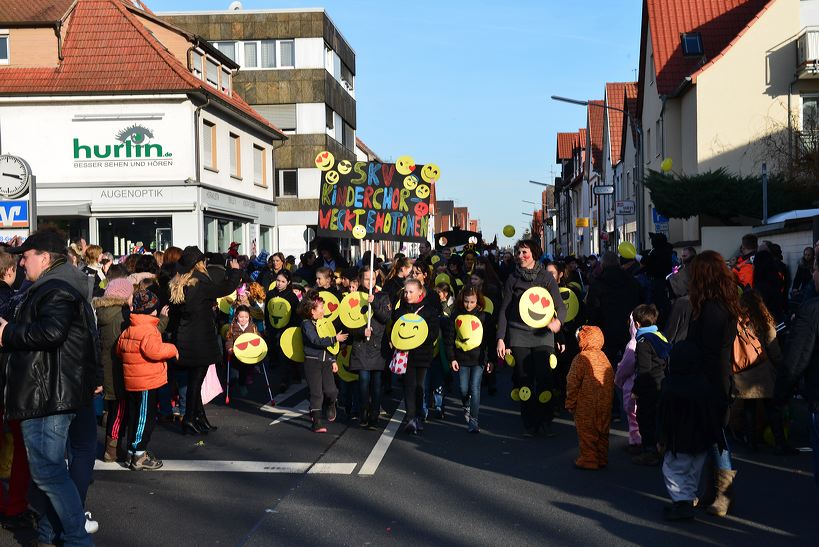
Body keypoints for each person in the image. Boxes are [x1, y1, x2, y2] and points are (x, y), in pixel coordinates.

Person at [0, 229, 99, 546]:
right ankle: (49, 532)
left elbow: (51, 332)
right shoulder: (56, 285)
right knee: (49, 470)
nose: (22, 264)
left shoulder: (54, 288)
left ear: (44, 257)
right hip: (51, 389)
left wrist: (8, 334)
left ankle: (75, 538)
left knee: (46, 471)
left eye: (26, 257)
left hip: (47, 392)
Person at [687, 251, 740, 517]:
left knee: (716, 437)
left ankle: (722, 495)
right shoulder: (721, 304)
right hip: (715, 378)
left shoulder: (712, 309)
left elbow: (711, 352)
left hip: (712, 380)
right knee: (711, 436)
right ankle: (713, 491)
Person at [496, 239, 567, 437]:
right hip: (519, 333)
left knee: (544, 378)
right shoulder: (512, 279)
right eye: (518, 252)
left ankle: (545, 421)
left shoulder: (546, 278)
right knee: (524, 379)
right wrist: (501, 338)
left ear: (534, 253)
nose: (520, 256)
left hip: (543, 335)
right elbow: (505, 310)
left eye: (524, 252)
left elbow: (560, 307)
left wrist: (558, 323)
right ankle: (530, 423)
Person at [169, 246, 241, 435]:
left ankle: (199, 418)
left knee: (194, 380)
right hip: (199, 339)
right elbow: (224, 288)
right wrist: (235, 272)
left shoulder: (179, 283)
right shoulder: (199, 282)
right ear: (199, 264)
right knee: (196, 382)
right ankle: (190, 419)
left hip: (184, 338)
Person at [657, 340, 722, 521]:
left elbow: (663, 417)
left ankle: (682, 502)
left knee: (672, 471)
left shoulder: (670, 385)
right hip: (700, 440)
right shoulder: (703, 384)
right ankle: (687, 499)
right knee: (693, 471)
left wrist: (661, 439)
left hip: (678, 440)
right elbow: (711, 414)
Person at [117, 289, 177, 471]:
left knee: (135, 417)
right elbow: (154, 351)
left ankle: (132, 451)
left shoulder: (129, 328)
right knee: (145, 418)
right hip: (146, 381)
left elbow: (119, 350)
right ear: (151, 311)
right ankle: (139, 454)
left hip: (132, 380)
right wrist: (172, 349)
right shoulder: (149, 330)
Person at [775, 253, 819, 486]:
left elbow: (797, 358)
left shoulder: (811, 310)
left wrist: (781, 393)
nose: (812, 275)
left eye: (815, 270)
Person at [734, 290, 795, 453]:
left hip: (743, 371)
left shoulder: (737, 320)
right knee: (772, 408)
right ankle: (780, 443)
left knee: (749, 409)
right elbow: (773, 348)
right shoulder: (764, 320)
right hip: (763, 373)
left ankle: (751, 442)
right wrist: (782, 366)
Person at [93, 278, 135, 463]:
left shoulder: (103, 312)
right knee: (119, 411)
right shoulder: (122, 316)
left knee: (115, 409)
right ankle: (112, 449)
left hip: (105, 367)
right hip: (117, 369)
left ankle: (114, 446)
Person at [393, 278, 441, 434]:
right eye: (405, 291)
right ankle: (410, 417)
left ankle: (419, 415)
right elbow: (395, 329)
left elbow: (433, 333)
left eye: (410, 292)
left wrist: (419, 338)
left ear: (420, 292)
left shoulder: (429, 310)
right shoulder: (401, 310)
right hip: (406, 354)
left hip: (423, 353)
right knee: (409, 385)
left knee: (420, 386)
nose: (407, 295)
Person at [444, 286, 493, 433]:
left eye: (472, 302)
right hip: (462, 358)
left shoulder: (484, 317)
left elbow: (489, 340)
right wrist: (451, 358)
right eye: (466, 301)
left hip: (479, 359)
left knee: (475, 388)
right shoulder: (455, 315)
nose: (469, 305)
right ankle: (466, 406)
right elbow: (450, 338)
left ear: (478, 301)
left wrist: (490, 360)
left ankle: (473, 420)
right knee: (463, 389)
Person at [565, 325, 614, 469]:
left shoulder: (581, 358)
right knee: (602, 430)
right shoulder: (604, 357)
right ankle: (602, 457)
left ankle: (589, 459)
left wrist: (570, 402)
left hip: (586, 401)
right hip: (604, 401)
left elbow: (572, 382)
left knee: (587, 431)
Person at [348, 267, 391, 429]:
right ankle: (363, 412)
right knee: (363, 381)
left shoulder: (382, 296)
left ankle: (375, 414)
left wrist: (375, 304)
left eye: (372, 279)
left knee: (377, 383)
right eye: (366, 279)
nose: (370, 282)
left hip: (378, 346)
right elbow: (348, 322)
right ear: (360, 280)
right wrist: (361, 331)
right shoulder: (354, 297)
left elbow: (386, 318)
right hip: (361, 345)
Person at [299, 291, 347, 433]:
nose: (324, 310)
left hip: (326, 361)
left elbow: (330, 347)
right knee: (316, 393)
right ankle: (317, 422)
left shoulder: (325, 322)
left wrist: (333, 360)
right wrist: (334, 339)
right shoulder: (306, 324)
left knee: (331, 391)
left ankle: (331, 404)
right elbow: (316, 340)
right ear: (312, 311)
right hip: (312, 361)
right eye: (321, 308)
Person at [631, 304, 672, 466]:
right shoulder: (660, 335)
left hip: (648, 388)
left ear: (637, 324)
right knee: (659, 418)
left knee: (645, 419)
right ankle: (662, 447)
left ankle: (650, 451)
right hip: (662, 383)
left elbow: (643, 370)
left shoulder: (643, 341)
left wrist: (636, 390)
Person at [585, 252, 641, 368]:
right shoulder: (631, 281)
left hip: (606, 330)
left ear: (603, 264)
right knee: (630, 365)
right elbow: (639, 301)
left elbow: (592, 309)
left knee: (605, 366)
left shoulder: (598, 283)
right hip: (628, 328)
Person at [614, 316, 641, 454]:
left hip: (632, 386)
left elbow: (625, 367)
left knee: (633, 416)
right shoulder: (655, 337)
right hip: (648, 385)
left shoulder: (633, 343)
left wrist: (618, 380)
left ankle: (636, 442)